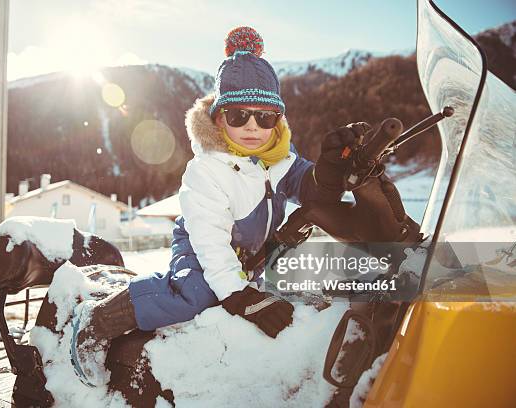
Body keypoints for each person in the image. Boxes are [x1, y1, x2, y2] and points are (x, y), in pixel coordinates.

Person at [67, 26, 420, 386]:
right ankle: (99, 321)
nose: (252, 126)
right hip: (203, 245)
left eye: (264, 117)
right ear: (219, 120)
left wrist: (329, 171)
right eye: (238, 116)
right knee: (195, 294)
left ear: (277, 121)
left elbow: (311, 191)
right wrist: (238, 295)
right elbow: (211, 245)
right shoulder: (207, 171)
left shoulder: (281, 159)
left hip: (253, 250)